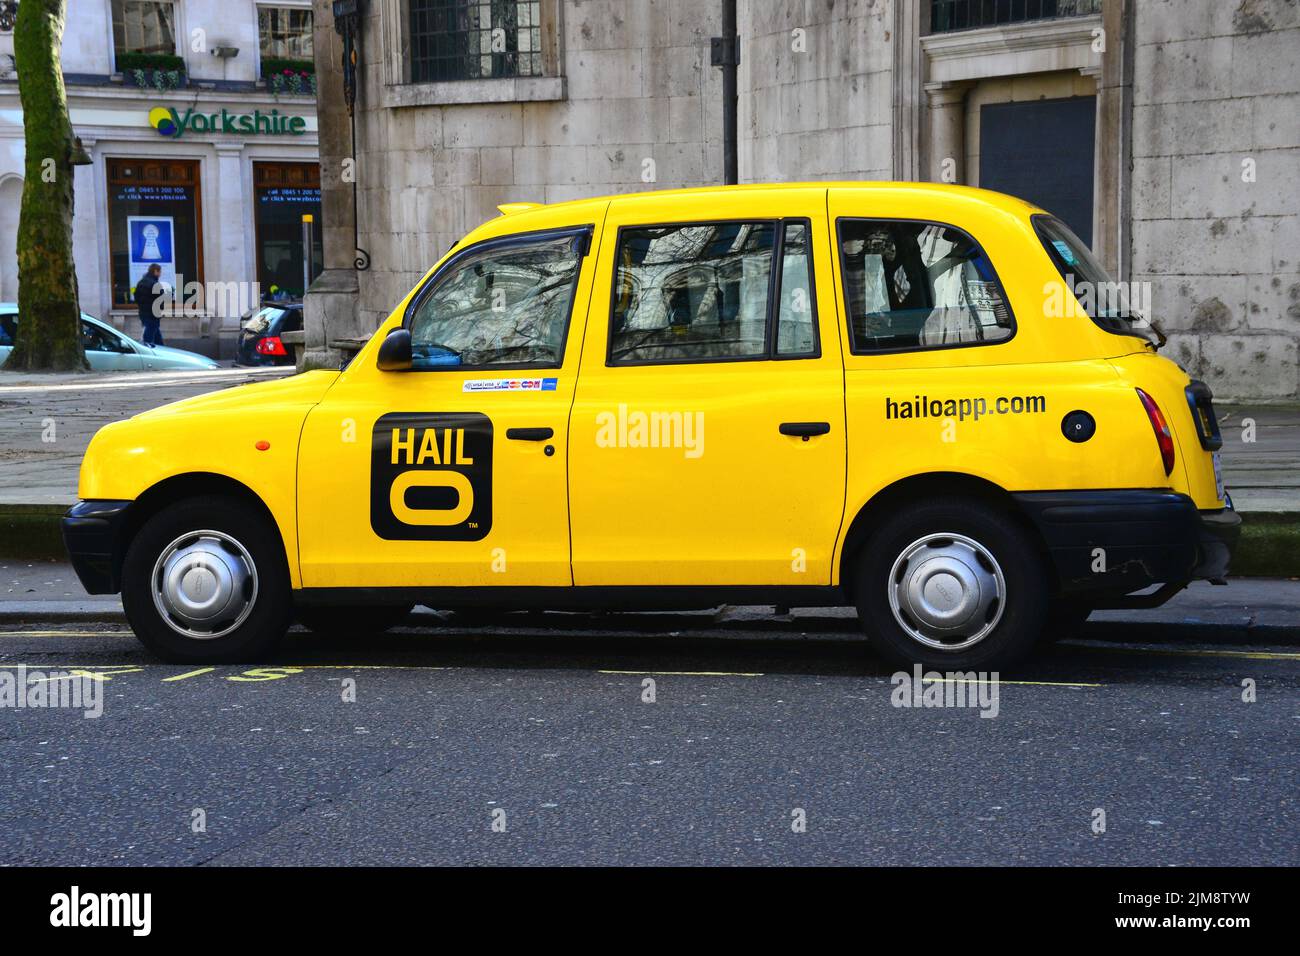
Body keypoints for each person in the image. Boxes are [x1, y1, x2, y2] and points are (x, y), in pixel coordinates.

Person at [135, 264, 166, 347]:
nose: (160, 274)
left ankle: (163, 352)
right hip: (153, 314)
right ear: (155, 271)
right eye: (159, 272)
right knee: (148, 339)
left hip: (144, 313)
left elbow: (136, 297)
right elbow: (161, 298)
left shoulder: (141, 282)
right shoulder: (154, 283)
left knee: (156, 335)